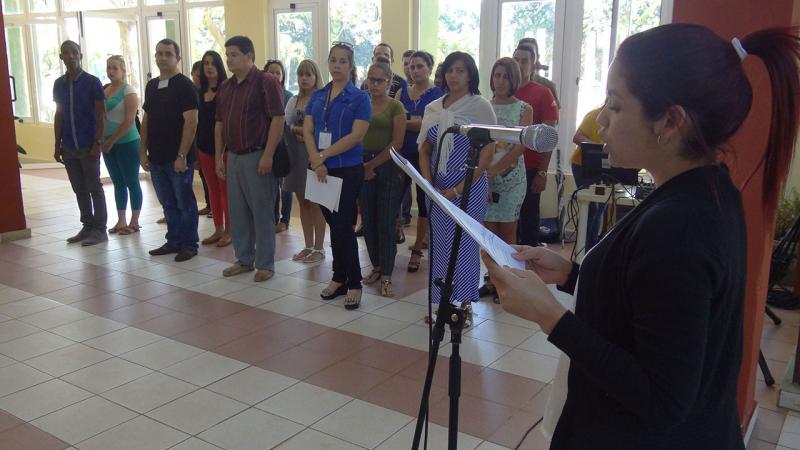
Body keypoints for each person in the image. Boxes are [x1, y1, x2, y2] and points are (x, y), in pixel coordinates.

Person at [483, 24, 800, 449]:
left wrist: (549, 316)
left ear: (669, 121)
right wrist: (573, 274)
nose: (601, 121)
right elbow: (652, 304)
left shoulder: (681, 225)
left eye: (615, 105)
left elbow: (662, 397)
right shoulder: (702, 190)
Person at [418, 51, 496, 326]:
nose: (454, 75)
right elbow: (425, 149)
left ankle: (464, 308)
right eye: (450, 70)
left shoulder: (480, 106)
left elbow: (488, 150)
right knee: (440, 246)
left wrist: (458, 189)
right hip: (437, 189)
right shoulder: (434, 107)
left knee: (463, 247)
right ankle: (442, 305)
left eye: (460, 70)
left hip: (468, 188)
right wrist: (428, 184)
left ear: (470, 75)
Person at [305, 41, 371, 309]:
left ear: (351, 65)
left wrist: (323, 155)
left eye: (343, 61)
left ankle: (353, 282)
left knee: (343, 225)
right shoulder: (318, 96)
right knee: (334, 225)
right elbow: (307, 130)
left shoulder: (359, 98)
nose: (337, 65)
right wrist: (315, 159)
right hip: (320, 169)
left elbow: (357, 135)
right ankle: (340, 277)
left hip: (346, 168)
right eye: (333, 60)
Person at [215, 36, 285, 282]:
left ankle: (265, 263)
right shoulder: (226, 87)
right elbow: (219, 123)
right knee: (238, 211)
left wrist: (267, 155)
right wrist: (218, 157)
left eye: (233, 54)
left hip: (257, 154)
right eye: (227, 55)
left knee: (262, 211)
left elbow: (278, 118)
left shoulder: (266, 82)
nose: (229, 59)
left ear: (249, 56)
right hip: (233, 156)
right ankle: (244, 259)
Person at [141, 39, 200, 262]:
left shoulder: (185, 85)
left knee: (184, 201)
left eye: (168, 53)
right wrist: (142, 151)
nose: (162, 57)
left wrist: (182, 155)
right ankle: (174, 240)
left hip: (178, 158)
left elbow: (191, 122)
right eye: (159, 53)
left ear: (178, 58)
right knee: (167, 202)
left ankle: (189, 243)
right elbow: (146, 119)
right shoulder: (152, 85)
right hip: (157, 157)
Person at [480, 57, 532, 301]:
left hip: (512, 179)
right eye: (497, 75)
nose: (500, 81)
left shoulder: (524, 108)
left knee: (508, 233)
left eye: (506, 76)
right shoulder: (484, 106)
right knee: (489, 234)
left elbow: (520, 145)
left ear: (514, 79)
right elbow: (483, 143)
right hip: (485, 175)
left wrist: (498, 169)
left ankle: (508, 284)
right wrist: (486, 175)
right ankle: (491, 280)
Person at [53, 40, 108, 246]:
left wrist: (98, 142)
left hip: (88, 144)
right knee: (79, 188)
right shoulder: (59, 84)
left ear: (81, 55)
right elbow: (59, 115)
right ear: (61, 57)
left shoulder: (92, 82)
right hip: (68, 146)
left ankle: (99, 229)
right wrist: (56, 143)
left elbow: (100, 114)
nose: (71, 56)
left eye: (74, 52)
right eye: (66, 53)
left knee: (94, 187)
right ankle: (87, 225)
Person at [360, 62, 407, 297]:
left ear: (389, 82)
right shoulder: (361, 103)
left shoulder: (396, 107)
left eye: (379, 80)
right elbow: (353, 134)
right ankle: (376, 266)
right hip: (361, 165)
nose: (374, 84)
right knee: (368, 220)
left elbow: (397, 143)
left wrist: (372, 165)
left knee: (386, 222)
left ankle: (387, 273)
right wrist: (363, 166)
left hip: (387, 166)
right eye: (371, 79)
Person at [395, 50, 444, 273]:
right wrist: (410, 122)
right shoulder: (400, 92)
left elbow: (429, 124)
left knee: (424, 201)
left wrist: (405, 122)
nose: (414, 70)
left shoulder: (439, 94)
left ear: (430, 68)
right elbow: (395, 121)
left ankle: (417, 249)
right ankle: (391, 243)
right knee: (394, 198)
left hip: (426, 153)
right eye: (411, 66)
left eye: (420, 66)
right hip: (402, 152)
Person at [512, 44, 559, 247]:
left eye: (524, 61)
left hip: (531, 168)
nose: (520, 65)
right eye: (516, 60)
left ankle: (528, 271)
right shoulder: (503, 93)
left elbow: (550, 136)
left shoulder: (543, 93)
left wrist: (542, 172)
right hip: (505, 169)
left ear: (533, 65)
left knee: (529, 220)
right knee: (506, 222)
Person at [284, 60, 326, 264]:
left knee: (317, 202)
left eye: (308, 75)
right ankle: (308, 245)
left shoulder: (323, 100)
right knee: (302, 202)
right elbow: (288, 124)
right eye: (301, 75)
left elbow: (322, 130)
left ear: (316, 76)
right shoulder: (294, 100)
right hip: (296, 155)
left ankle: (319, 247)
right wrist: (297, 131)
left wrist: (301, 131)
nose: (304, 79)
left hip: (315, 155)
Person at [101, 55, 142, 236]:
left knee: (131, 181)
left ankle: (134, 221)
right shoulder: (104, 90)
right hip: (108, 144)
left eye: (115, 68)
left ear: (123, 71)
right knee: (118, 182)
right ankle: (121, 220)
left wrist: (112, 140)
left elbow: (129, 120)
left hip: (127, 142)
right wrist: (103, 139)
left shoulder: (129, 91)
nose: (111, 71)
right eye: (109, 68)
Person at [196, 50, 231, 247]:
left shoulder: (226, 89)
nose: (209, 67)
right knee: (212, 189)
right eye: (205, 63)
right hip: (204, 147)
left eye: (213, 63)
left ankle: (229, 230)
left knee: (226, 190)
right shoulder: (199, 91)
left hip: (224, 148)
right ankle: (217, 228)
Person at [264, 59, 294, 233]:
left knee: (285, 186)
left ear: (283, 76)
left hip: (285, 146)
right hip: (267, 145)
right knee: (271, 185)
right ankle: (273, 217)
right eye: (271, 72)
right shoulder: (261, 94)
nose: (274, 75)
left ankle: (285, 219)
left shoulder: (288, 96)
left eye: (278, 72)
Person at [571, 106, 605, 251]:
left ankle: (591, 247)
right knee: (590, 207)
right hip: (582, 164)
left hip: (604, 167)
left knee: (600, 207)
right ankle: (585, 249)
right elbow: (577, 137)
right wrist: (599, 148)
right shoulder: (594, 115)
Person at [191, 59, 212, 216]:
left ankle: (213, 206)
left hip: (210, 140)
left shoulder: (210, 92)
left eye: (200, 75)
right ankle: (209, 204)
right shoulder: (192, 92)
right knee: (204, 175)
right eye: (196, 75)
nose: (198, 78)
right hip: (197, 140)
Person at [518, 37, 560, 108]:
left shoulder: (548, 86)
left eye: (531, 52)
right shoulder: (507, 84)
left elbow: (554, 116)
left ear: (537, 57)